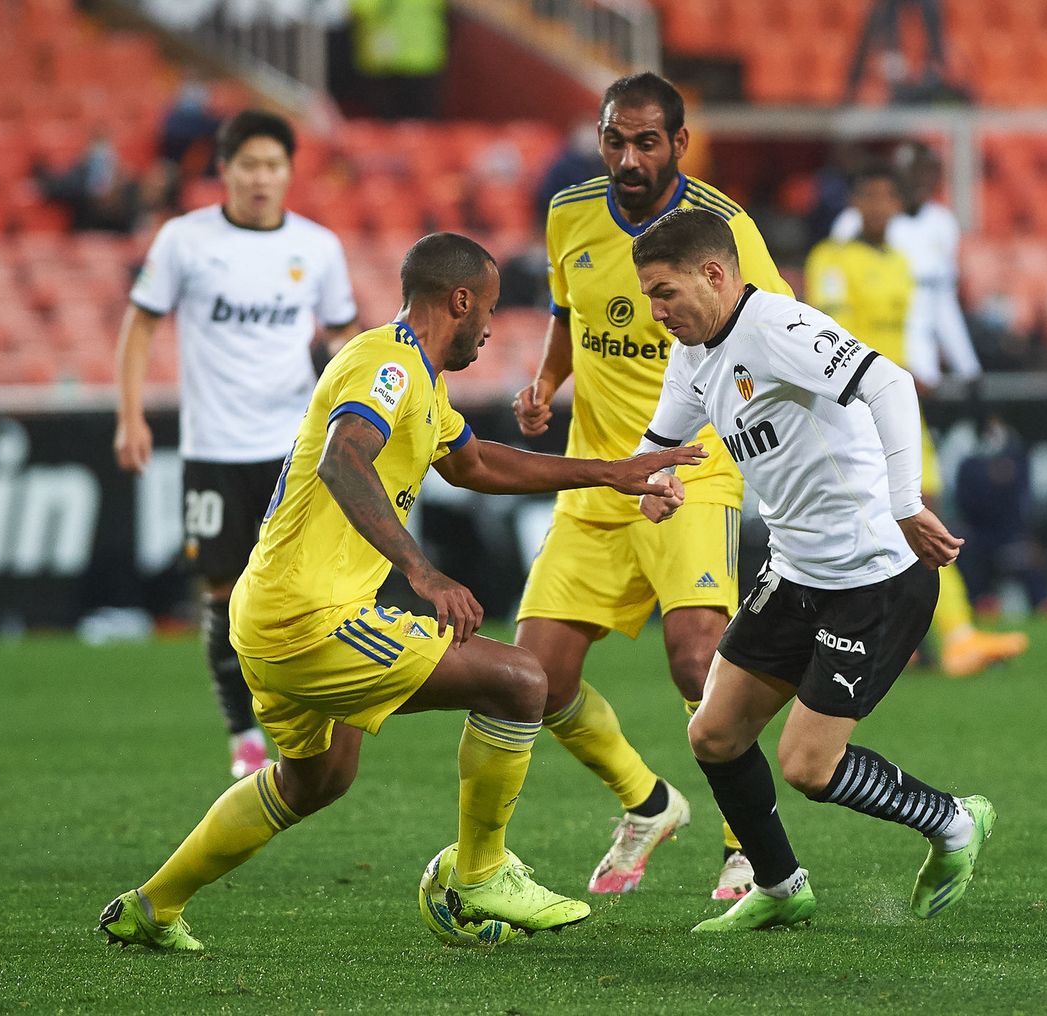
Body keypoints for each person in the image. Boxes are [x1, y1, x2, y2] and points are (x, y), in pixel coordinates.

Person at [97, 232, 706, 950]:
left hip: (274, 612)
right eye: (489, 311)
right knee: (519, 679)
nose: (489, 330)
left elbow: (476, 463)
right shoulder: (384, 364)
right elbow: (342, 458)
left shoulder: (419, 376)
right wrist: (421, 571)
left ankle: (151, 906)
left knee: (317, 781)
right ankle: (479, 874)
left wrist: (610, 472)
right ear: (460, 300)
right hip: (309, 615)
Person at [629, 207, 995, 931]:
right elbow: (662, 435)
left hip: (876, 577)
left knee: (807, 766)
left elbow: (889, 383)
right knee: (713, 734)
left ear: (714, 274)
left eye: (664, 292)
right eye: (648, 295)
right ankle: (779, 885)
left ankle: (953, 821)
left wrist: (904, 502)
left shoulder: (778, 329)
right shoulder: (694, 352)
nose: (656, 310)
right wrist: (654, 478)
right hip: (797, 575)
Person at [511, 72, 792, 901]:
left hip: (693, 470)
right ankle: (648, 802)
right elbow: (572, 315)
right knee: (536, 680)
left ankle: (748, 843)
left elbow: (777, 332)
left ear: (678, 144)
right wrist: (545, 382)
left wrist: (711, 445)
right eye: (614, 141)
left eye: (645, 142)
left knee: (698, 657)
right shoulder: (568, 213)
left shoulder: (723, 227)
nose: (628, 158)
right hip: (598, 476)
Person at [114, 110, 363, 781]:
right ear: (224, 170)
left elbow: (344, 338)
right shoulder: (184, 241)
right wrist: (130, 415)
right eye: (248, 165)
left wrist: (356, 414)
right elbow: (139, 328)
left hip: (295, 447)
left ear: (288, 172)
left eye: (273, 165)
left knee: (307, 585)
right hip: (215, 447)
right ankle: (242, 736)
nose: (261, 177)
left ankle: (304, 716)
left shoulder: (316, 248)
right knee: (223, 591)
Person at [811, 162, 1028, 677]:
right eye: (871, 196)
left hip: (899, 403)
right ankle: (920, 635)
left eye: (889, 197)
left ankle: (947, 635)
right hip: (856, 408)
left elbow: (910, 335)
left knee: (921, 513)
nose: (880, 207)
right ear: (855, 203)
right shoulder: (831, 260)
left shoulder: (901, 264)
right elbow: (831, 338)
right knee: (879, 522)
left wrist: (919, 373)